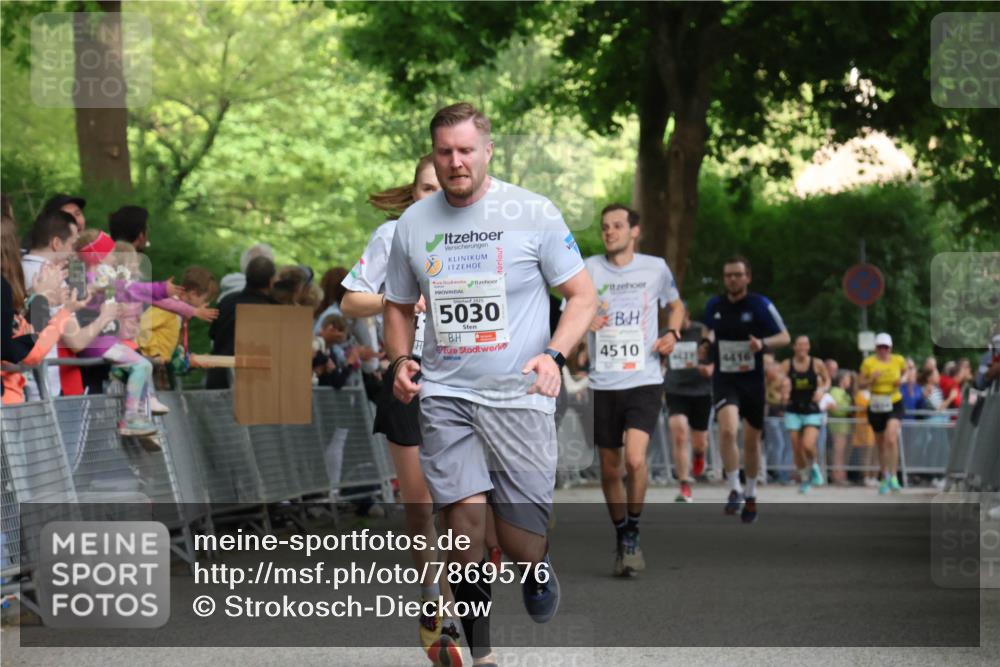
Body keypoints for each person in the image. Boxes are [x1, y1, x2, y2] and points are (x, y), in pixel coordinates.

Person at [384, 103, 596, 667]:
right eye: (444, 152)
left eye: (465, 151)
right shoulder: (414, 223)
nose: (455, 162)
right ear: (433, 154)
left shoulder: (532, 212)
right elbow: (398, 305)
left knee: (520, 539)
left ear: (487, 151)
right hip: (447, 395)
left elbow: (582, 295)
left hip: (517, 396)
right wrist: (401, 360)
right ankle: (482, 650)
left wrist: (554, 354)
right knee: (464, 521)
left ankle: (536, 564)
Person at [340, 155, 466, 665]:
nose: (430, 197)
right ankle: (438, 604)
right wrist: (406, 301)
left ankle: (460, 599)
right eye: (423, 188)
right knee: (420, 504)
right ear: (412, 192)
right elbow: (351, 302)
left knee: (462, 503)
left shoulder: (474, 236)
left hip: (463, 382)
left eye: (439, 189)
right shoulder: (390, 237)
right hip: (406, 380)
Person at [583, 202, 683, 576]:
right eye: (605, 226)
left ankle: (634, 534)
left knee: (635, 460)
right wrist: (587, 318)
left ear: (634, 231)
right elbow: (573, 308)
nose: (610, 232)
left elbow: (676, 307)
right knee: (610, 469)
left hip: (644, 377)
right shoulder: (590, 269)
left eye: (618, 225)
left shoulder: (655, 268)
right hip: (604, 378)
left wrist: (672, 333)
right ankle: (621, 532)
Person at [703, 255, 790, 523]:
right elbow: (708, 331)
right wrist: (705, 344)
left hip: (752, 381)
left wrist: (762, 344)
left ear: (747, 278)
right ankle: (734, 488)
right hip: (725, 379)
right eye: (728, 275)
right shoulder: (714, 305)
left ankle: (751, 493)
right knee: (728, 430)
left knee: (752, 442)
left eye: (738, 275)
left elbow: (785, 337)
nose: (732, 279)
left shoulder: (760, 305)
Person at [71, 230, 184, 435]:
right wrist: (98, 287)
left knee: (134, 366)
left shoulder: (102, 278)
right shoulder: (89, 279)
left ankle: (141, 407)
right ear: (98, 256)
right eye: (111, 253)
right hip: (96, 343)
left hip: (104, 342)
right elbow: (88, 292)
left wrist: (161, 289)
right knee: (141, 365)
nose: (115, 257)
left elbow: (136, 289)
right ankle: (132, 417)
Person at [137, 266, 219, 390]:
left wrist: (189, 358)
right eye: (205, 300)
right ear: (192, 295)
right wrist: (156, 353)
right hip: (147, 377)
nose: (206, 305)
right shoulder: (167, 310)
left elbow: (171, 346)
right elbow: (140, 328)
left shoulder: (179, 315)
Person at [663, 305, 713, 502]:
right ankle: (684, 484)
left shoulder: (701, 330)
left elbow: (715, 352)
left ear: (687, 315)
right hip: (675, 389)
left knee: (700, 441)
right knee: (679, 433)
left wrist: (709, 367)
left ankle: (699, 455)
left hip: (700, 391)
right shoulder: (665, 334)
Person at [207, 256, 277, 389]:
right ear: (271, 281)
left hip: (218, 378)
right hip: (254, 387)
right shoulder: (273, 311)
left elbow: (212, 334)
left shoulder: (226, 302)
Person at [780, 335, 831, 494]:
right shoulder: (787, 364)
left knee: (807, 445)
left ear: (809, 347)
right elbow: (777, 382)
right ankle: (804, 478)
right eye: (799, 344)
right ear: (794, 347)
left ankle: (814, 465)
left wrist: (822, 390)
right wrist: (783, 390)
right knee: (796, 447)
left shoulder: (816, 363)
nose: (803, 347)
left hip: (811, 409)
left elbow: (828, 380)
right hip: (793, 409)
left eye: (806, 344)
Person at [858, 332, 907, 495]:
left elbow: (909, 372)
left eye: (886, 347)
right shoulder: (868, 363)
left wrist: (903, 380)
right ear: (875, 348)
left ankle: (894, 476)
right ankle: (885, 476)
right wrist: (871, 379)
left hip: (894, 401)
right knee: (881, 444)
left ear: (890, 348)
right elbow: (860, 383)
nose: (883, 350)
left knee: (891, 438)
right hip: (876, 403)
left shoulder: (898, 360)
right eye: (880, 347)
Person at [827, 371, 855, 485]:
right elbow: (836, 408)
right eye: (848, 379)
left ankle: (841, 475)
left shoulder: (845, 392)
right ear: (841, 379)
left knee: (842, 452)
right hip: (838, 426)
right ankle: (837, 476)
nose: (850, 382)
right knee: (838, 452)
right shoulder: (835, 391)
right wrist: (849, 409)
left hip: (844, 426)